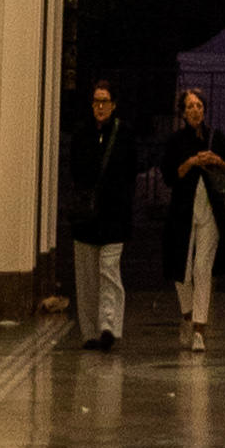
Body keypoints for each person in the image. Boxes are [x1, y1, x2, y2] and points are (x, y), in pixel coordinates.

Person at [66, 73, 140, 351]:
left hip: (113, 217)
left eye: (104, 101)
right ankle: (89, 332)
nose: (99, 107)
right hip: (87, 218)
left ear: (113, 104)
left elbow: (130, 171)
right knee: (86, 277)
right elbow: (75, 169)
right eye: (96, 101)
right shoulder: (81, 134)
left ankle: (108, 325)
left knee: (109, 271)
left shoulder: (124, 135)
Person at [161, 84, 225, 346]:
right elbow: (169, 176)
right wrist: (191, 162)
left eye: (199, 106)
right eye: (190, 106)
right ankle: (188, 314)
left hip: (210, 209)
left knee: (202, 267)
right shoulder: (176, 141)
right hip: (183, 210)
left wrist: (216, 160)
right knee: (181, 268)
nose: (195, 110)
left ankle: (199, 329)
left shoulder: (216, 137)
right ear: (183, 112)